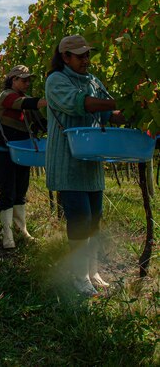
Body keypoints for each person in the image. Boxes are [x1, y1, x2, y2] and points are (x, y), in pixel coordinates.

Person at [45, 35, 124, 296]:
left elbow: (105, 112)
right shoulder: (56, 80)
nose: (86, 60)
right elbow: (80, 104)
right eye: (80, 56)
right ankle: (79, 277)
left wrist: (136, 108)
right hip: (68, 161)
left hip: (91, 162)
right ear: (65, 57)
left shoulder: (92, 81)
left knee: (94, 220)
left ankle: (93, 271)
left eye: (87, 55)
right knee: (80, 219)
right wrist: (117, 103)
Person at [0, 65, 47, 249]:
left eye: (29, 79)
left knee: (21, 189)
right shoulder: (6, 96)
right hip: (2, 149)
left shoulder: (27, 100)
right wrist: (49, 100)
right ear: (13, 80)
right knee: (8, 190)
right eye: (24, 79)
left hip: (22, 150)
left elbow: (40, 123)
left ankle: (22, 230)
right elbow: (25, 104)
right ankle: (7, 235)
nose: (27, 82)